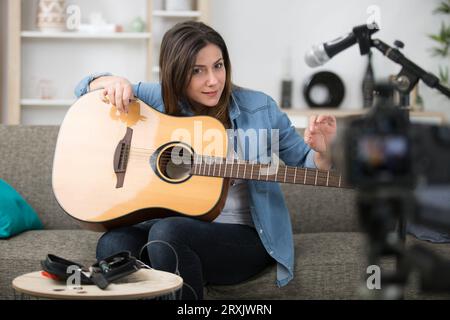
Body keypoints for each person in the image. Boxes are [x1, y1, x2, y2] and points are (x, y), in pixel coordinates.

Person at [74, 21, 337, 299]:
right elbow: (82, 90)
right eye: (197, 71)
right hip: (171, 230)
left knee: (168, 234)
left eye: (218, 65)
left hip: (244, 236)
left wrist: (324, 151)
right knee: (112, 244)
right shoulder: (156, 100)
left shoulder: (260, 107)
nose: (213, 80)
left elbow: (307, 163)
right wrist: (110, 82)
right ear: (176, 74)